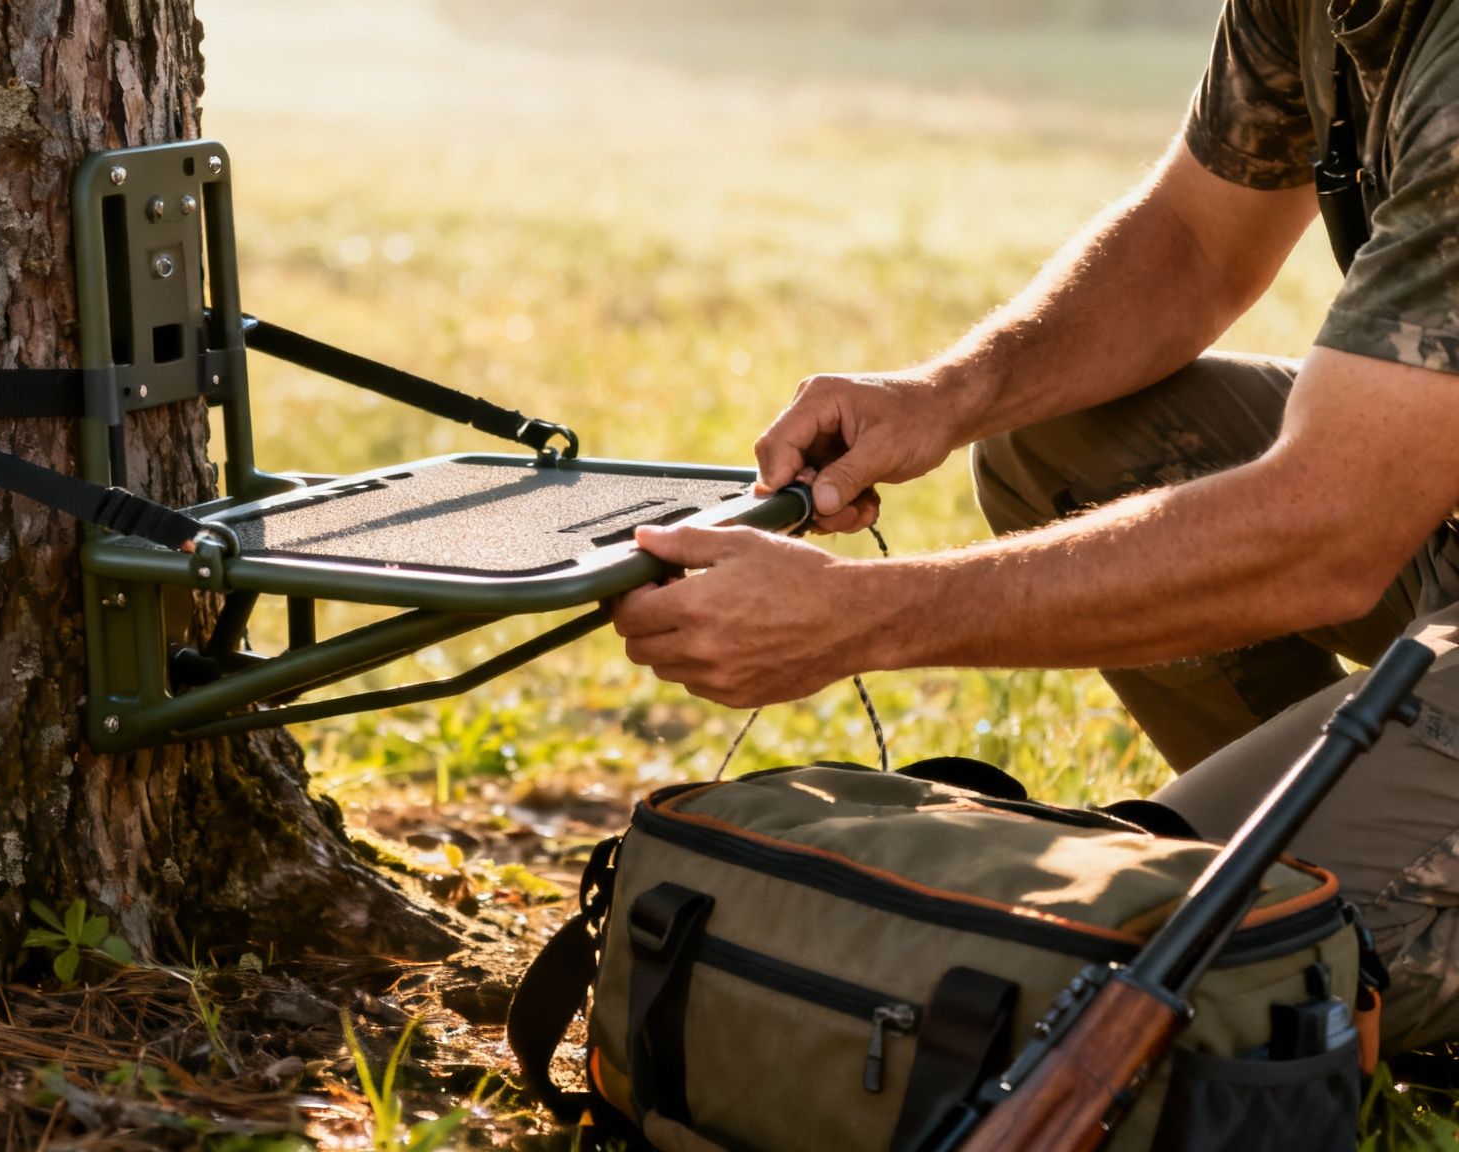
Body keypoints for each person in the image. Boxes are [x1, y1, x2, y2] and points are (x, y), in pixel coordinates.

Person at [612, 0, 1459, 1054]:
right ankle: (1333, 853)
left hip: (1386, 529)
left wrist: (860, 617)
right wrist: (944, 393)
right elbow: (1193, 240)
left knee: (1190, 963)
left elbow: (1328, 530)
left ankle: (1331, 913)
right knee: (1061, 445)